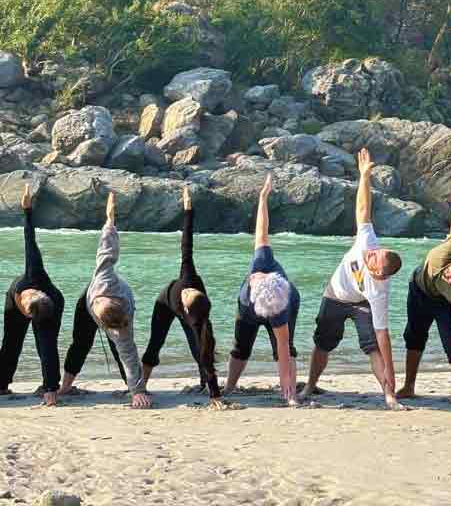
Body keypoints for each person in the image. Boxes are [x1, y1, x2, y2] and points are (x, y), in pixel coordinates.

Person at [300, 149, 407, 410]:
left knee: (372, 348)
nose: (371, 255)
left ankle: (388, 395)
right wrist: (364, 176)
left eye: (374, 260)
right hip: (335, 294)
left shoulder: (379, 292)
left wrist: (392, 372)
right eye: (376, 253)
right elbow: (363, 208)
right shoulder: (368, 243)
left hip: (361, 302)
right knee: (322, 343)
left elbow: (384, 336)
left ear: (379, 274)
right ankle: (310, 385)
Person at [397, 164, 451, 413]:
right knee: (414, 336)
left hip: (442, 303)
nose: (449, 277)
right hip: (418, 289)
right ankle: (408, 386)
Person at [59, 192, 151, 409]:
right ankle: (65, 386)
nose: (96, 307)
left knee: (122, 351)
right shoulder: (104, 278)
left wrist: (138, 392)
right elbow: (108, 247)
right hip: (87, 297)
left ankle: (133, 389)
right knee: (80, 344)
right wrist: (110, 218)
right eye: (98, 305)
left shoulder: (123, 327)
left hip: (116, 319)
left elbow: (130, 356)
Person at [140, 184, 226, 410]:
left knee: (200, 350)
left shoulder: (199, 320)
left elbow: (207, 355)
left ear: (187, 310)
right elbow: (187, 246)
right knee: (154, 345)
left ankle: (207, 386)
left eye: (186, 294)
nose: (185, 290)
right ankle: (141, 385)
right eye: (188, 291)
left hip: (185, 314)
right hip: (163, 303)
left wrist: (216, 397)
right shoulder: (190, 279)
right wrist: (188, 209)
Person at [223, 174, 301, 405]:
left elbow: (284, 346)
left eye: (257, 277)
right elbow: (261, 231)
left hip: (282, 304)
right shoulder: (262, 262)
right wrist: (263, 197)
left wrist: (289, 389)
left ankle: (289, 391)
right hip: (247, 312)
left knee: (284, 350)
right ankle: (229, 386)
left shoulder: (281, 309)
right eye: (256, 278)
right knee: (240, 346)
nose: (255, 275)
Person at [0, 184, 65, 406]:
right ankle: (2, 386)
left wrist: (51, 391)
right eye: (29, 296)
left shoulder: (50, 305)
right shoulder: (34, 272)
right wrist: (27, 211)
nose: (27, 295)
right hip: (19, 303)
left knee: (46, 344)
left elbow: (49, 348)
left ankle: (49, 385)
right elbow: (30, 240)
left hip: (50, 308)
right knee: (11, 342)